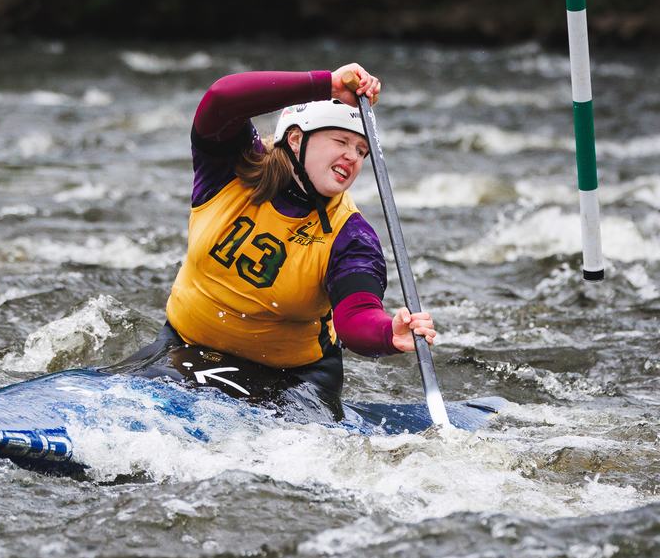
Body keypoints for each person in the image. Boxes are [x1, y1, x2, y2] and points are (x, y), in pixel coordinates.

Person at [107, 64, 436, 423]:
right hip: (184, 348)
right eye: (340, 142)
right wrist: (326, 84)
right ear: (295, 139)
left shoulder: (351, 236)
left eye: (361, 150)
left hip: (294, 381)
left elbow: (355, 319)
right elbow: (221, 99)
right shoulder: (230, 167)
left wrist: (389, 331)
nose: (352, 158)